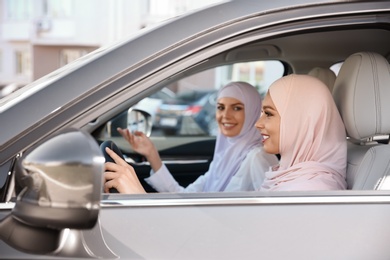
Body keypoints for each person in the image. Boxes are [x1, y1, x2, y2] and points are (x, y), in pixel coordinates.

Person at [103, 82, 278, 193]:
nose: (225, 115)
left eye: (237, 108)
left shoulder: (257, 157)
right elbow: (182, 195)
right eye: (220, 107)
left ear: (254, 111)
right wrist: (151, 154)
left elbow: (270, 213)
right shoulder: (223, 158)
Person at [255, 74, 347, 191]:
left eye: (268, 114)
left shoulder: (311, 189)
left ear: (299, 121)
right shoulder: (288, 175)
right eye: (262, 113)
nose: (258, 124)